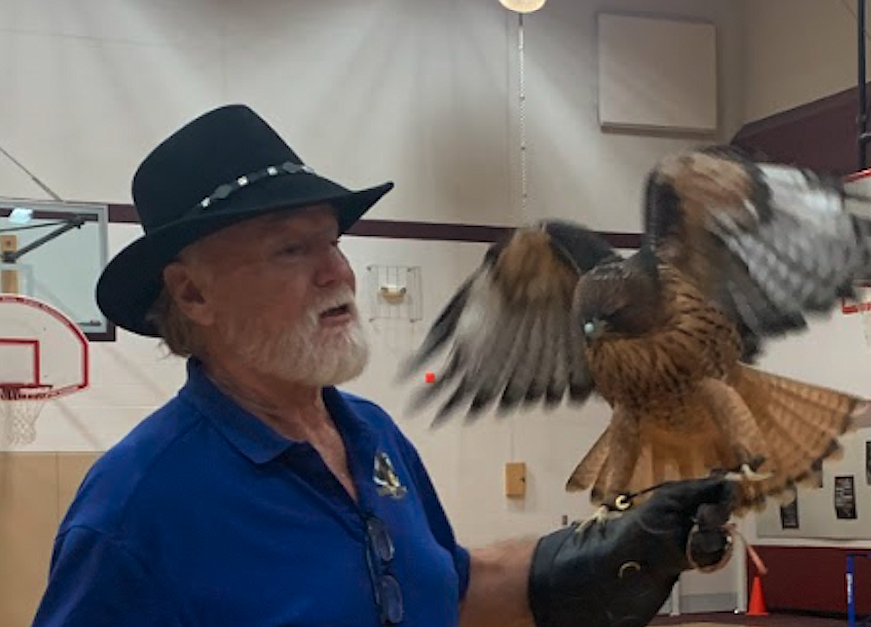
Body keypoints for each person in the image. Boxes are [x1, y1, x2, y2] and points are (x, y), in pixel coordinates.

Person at [30, 104, 737, 627]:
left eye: (332, 241)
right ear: (192, 292)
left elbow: (447, 591)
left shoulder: (372, 439)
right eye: (290, 249)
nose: (337, 271)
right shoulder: (136, 508)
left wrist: (617, 545)